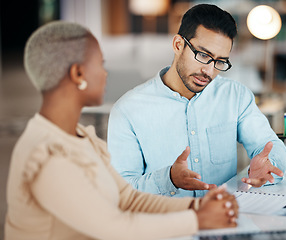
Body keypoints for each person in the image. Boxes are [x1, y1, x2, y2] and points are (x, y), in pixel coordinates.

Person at [4, 21, 239, 240]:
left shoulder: (82, 138)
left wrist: (198, 206)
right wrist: (197, 220)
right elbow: (114, 228)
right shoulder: (47, 156)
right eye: (100, 64)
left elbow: (128, 198)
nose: (105, 73)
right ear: (78, 74)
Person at [107, 3, 286, 198]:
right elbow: (122, 190)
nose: (209, 71)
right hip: (166, 223)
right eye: (203, 55)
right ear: (178, 45)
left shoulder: (235, 96)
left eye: (220, 61)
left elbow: (269, 145)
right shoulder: (128, 110)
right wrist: (168, 179)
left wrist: (269, 165)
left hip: (225, 219)